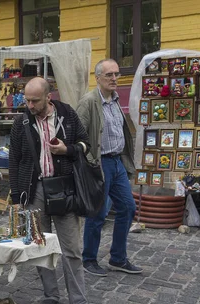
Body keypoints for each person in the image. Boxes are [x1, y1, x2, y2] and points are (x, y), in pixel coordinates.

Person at [8, 77, 95, 304]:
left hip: (65, 189)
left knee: (72, 249)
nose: (30, 104)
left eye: (35, 100)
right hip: (34, 190)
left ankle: (79, 301)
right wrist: (17, 197)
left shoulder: (67, 115)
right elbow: (14, 160)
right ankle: (50, 295)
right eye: (27, 99)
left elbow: (86, 144)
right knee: (41, 247)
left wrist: (67, 149)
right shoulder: (21, 122)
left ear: (49, 97)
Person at [76, 59, 143, 277]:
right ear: (98, 78)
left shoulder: (115, 101)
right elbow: (77, 135)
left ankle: (117, 258)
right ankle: (89, 259)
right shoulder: (89, 102)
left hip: (117, 162)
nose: (114, 78)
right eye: (109, 75)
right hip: (99, 163)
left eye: (116, 74)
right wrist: (88, 164)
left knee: (128, 207)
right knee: (98, 212)